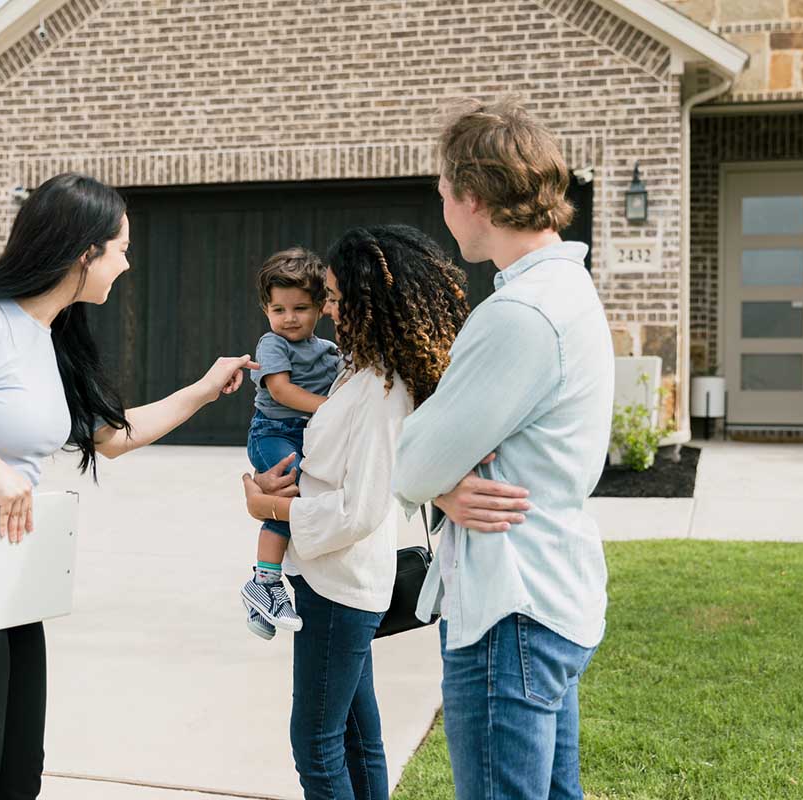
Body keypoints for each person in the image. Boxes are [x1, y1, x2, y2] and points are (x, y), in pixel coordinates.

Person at [0, 173, 256, 800]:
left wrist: (204, 390)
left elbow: (111, 438)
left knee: (17, 780)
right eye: (120, 248)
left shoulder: (49, 336)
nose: (127, 262)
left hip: (5, 576)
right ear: (83, 252)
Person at [391, 98, 616, 800]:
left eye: (444, 196)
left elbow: (413, 463)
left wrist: (436, 477)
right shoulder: (566, 288)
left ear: (475, 198)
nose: (443, 212)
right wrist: (445, 482)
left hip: (509, 610)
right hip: (548, 594)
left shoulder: (520, 313)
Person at [240, 224, 470, 800]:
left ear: (371, 302)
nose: (330, 310)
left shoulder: (377, 388)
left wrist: (267, 507)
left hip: (338, 584)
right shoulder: (361, 369)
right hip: (339, 579)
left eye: (337, 299)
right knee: (357, 737)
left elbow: (361, 510)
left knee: (316, 744)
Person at [241, 248, 340, 639]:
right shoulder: (272, 344)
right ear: (267, 310)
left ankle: (260, 611)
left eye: (300, 308)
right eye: (279, 309)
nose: (289, 318)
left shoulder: (328, 352)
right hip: (273, 433)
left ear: (320, 307)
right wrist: (330, 409)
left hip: (305, 435)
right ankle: (264, 583)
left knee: (301, 497)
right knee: (289, 496)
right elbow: (280, 391)